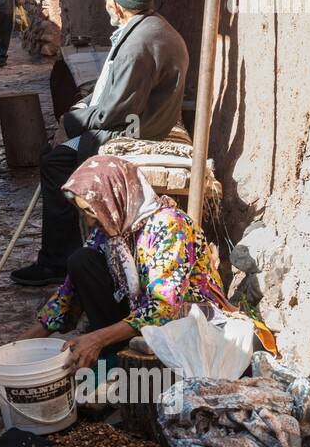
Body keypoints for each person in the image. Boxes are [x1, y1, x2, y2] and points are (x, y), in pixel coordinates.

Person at [11, 0, 188, 286]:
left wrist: (71, 123)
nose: (106, 6)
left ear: (118, 7)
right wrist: (79, 111)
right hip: (141, 118)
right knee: (57, 149)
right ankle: (67, 250)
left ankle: (58, 261)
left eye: (107, 1)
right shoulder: (150, 26)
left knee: (54, 163)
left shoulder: (137, 46)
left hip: (137, 131)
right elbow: (109, 91)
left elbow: (116, 112)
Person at [18, 155, 277, 370]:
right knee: (81, 262)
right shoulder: (113, 227)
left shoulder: (169, 226)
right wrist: (23, 344)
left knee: (157, 344)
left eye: (91, 212)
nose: (89, 222)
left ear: (114, 197)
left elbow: (164, 308)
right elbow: (69, 291)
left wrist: (97, 338)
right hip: (141, 311)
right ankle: (115, 349)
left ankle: (115, 353)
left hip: (186, 317)